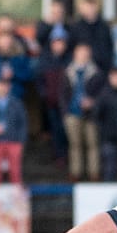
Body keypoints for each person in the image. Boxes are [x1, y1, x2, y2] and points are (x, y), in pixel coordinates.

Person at [61, 43, 104, 182]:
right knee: (75, 145)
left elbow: (102, 94)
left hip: (91, 115)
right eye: (81, 53)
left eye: (86, 53)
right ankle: (75, 173)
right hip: (72, 113)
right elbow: (62, 94)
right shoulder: (68, 72)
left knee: (93, 144)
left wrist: (93, 103)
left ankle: (94, 173)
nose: (83, 56)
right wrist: (66, 111)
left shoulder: (96, 72)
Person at [34, 30, 72, 167]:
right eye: (56, 42)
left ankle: (67, 156)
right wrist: (45, 94)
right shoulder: (45, 60)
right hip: (52, 103)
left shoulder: (70, 59)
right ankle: (59, 156)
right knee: (55, 130)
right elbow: (39, 80)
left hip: (67, 104)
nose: (59, 46)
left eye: (61, 42)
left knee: (66, 130)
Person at [72, 0, 114, 74]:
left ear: (96, 8)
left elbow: (109, 46)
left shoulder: (104, 27)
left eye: (91, 7)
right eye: (86, 7)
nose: (89, 10)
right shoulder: (76, 27)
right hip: (84, 69)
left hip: (103, 67)